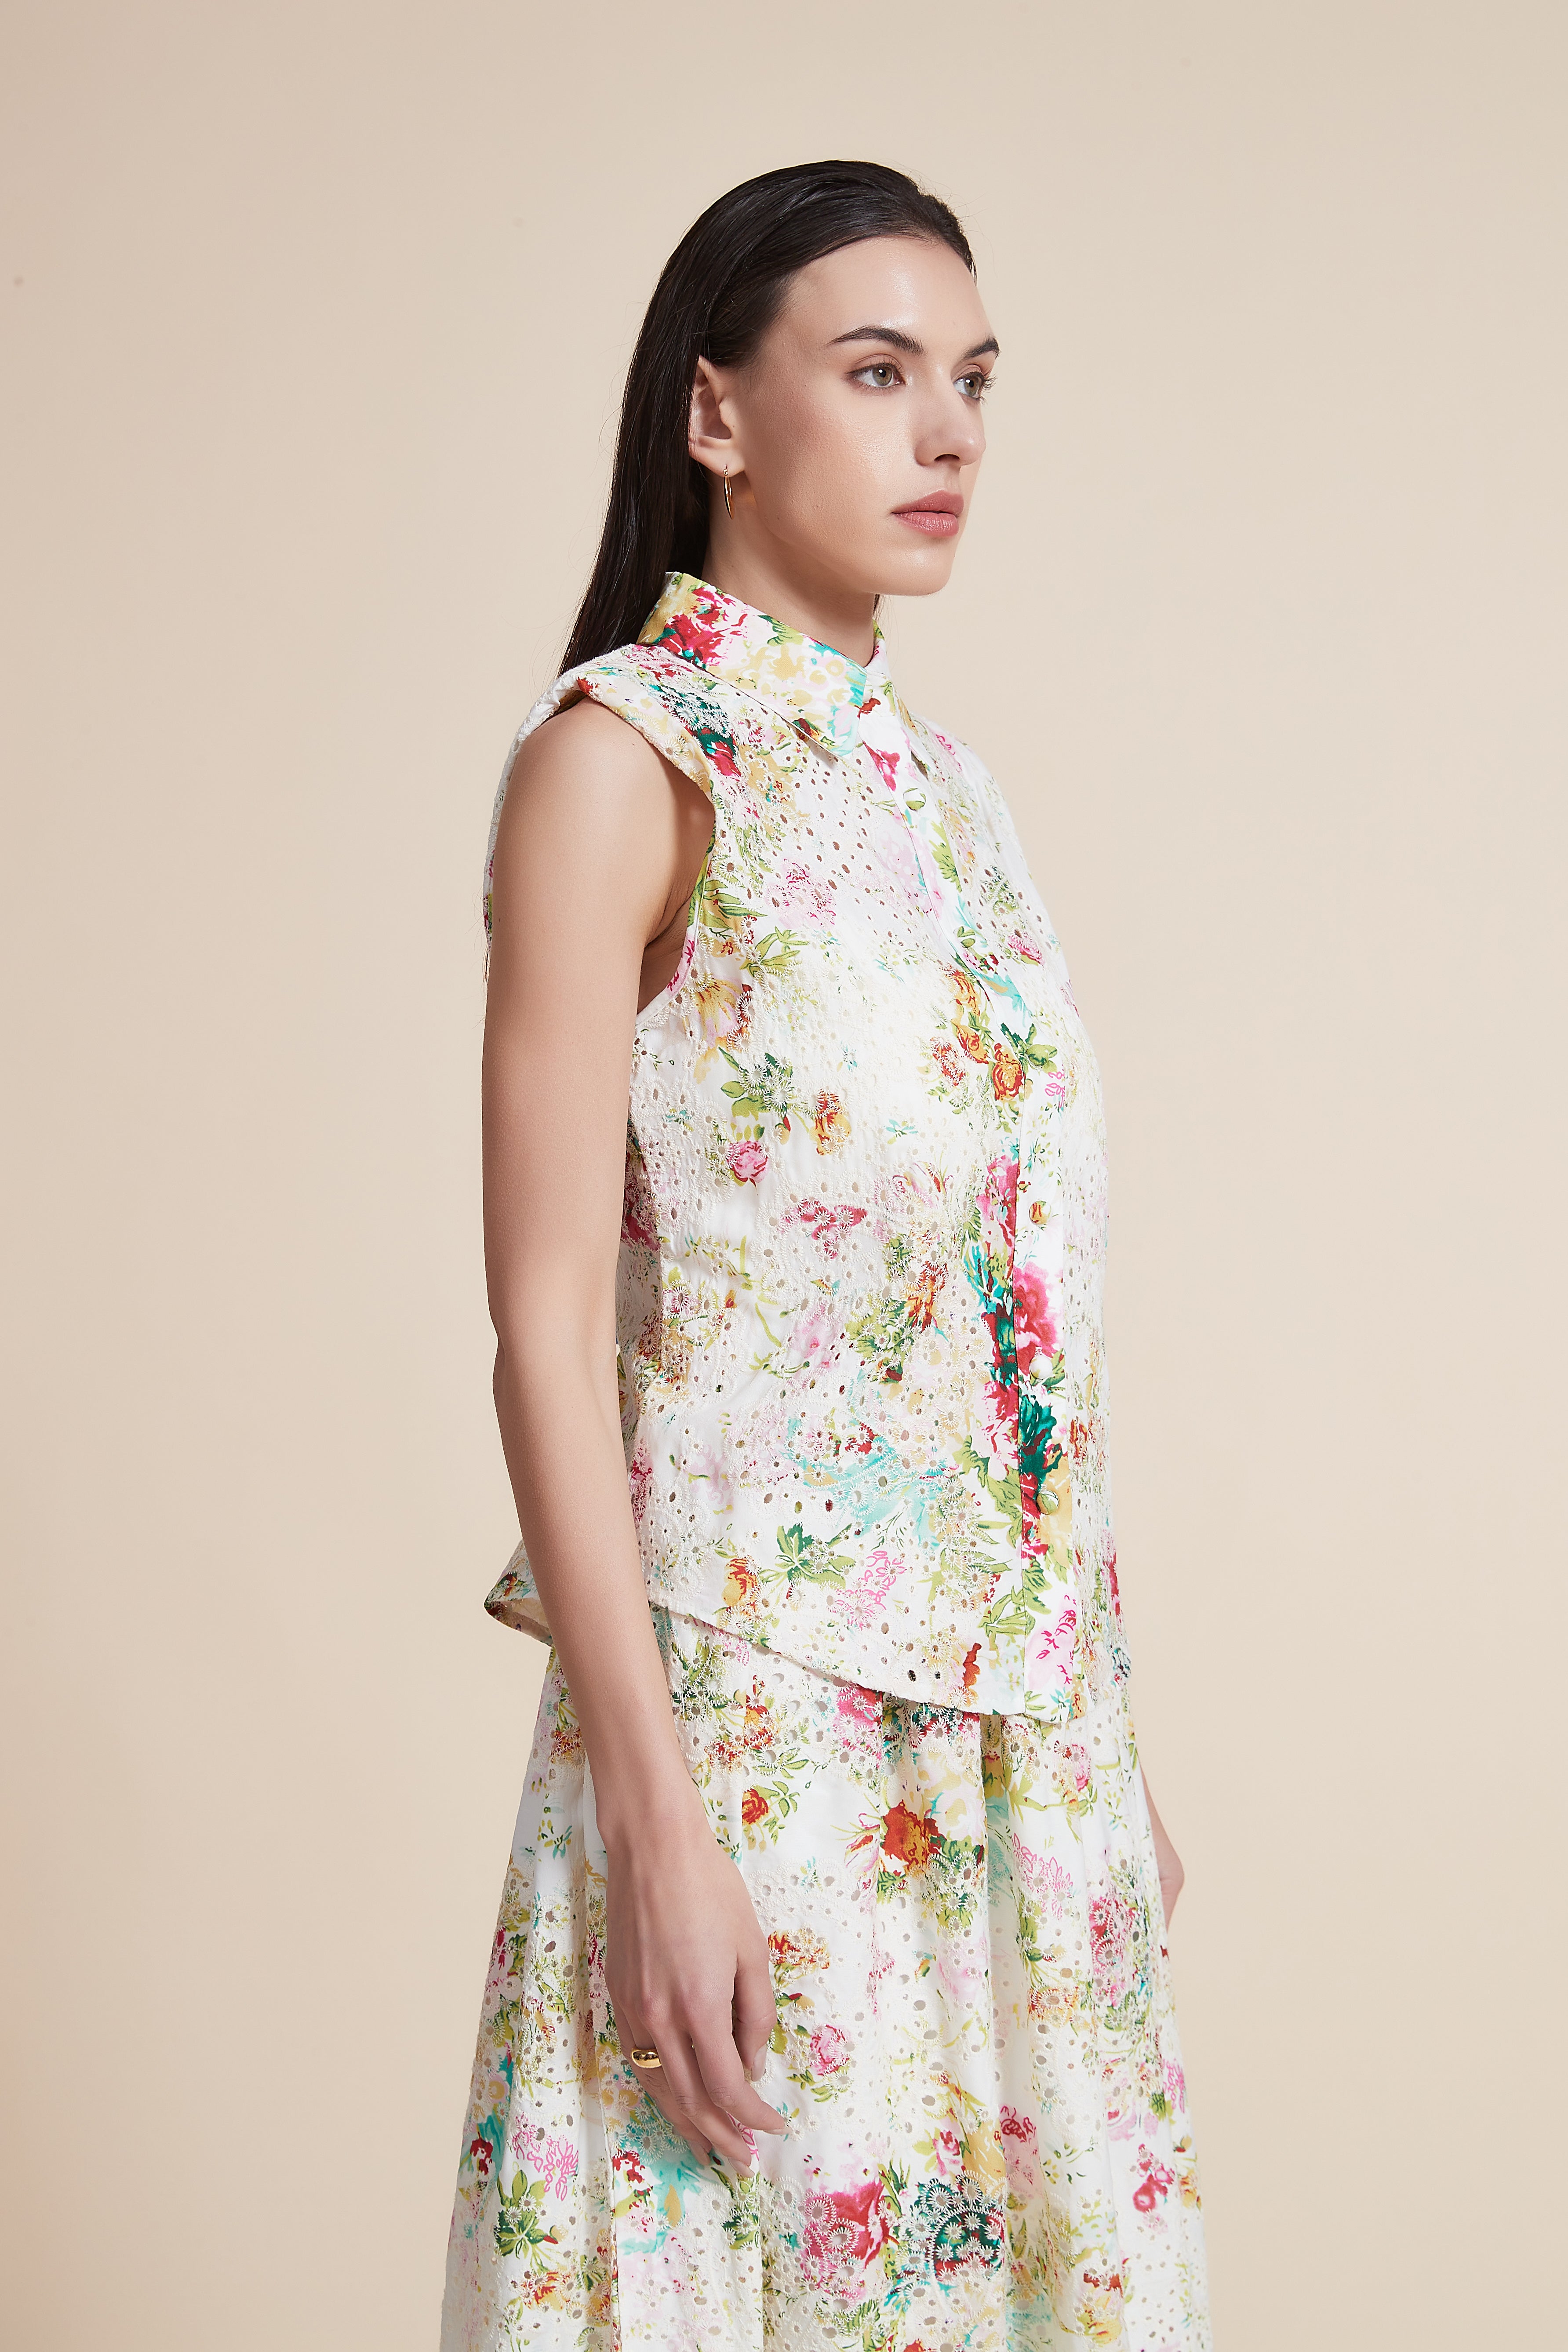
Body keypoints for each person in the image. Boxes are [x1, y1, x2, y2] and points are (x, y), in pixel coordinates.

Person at [440, 160, 1211, 2352]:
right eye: (877, 374)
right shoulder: (619, 761)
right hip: (755, 1733)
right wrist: (657, 1826)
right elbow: (542, 1330)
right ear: (716, 414)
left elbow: (1000, 1321)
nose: (946, 432)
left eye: (972, 381)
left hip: (1021, 1753)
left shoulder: (954, 802)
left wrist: (1101, 1739)